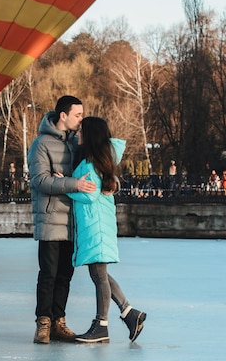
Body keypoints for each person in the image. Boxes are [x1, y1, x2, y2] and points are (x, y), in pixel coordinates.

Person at [67, 116, 146, 343]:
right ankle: (130, 314)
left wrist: (67, 186)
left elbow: (89, 194)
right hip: (97, 224)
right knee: (98, 273)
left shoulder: (90, 165)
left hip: (96, 226)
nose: (77, 135)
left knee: (99, 275)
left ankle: (102, 325)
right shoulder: (99, 161)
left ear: (89, 136)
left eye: (81, 131)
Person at [27, 95, 96, 344]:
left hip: (73, 219)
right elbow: (40, 181)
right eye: (77, 115)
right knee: (48, 273)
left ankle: (59, 321)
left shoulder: (76, 144)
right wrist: (72, 183)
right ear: (63, 115)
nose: (81, 119)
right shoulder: (41, 144)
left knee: (65, 274)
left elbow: (97, 169)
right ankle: (43, 322)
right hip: (49, 218)